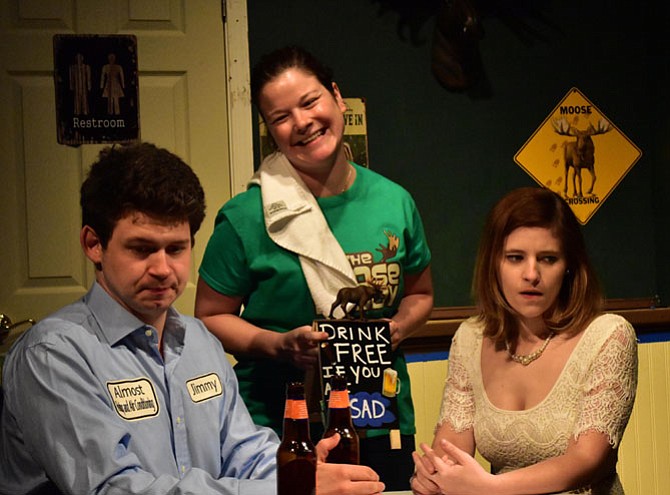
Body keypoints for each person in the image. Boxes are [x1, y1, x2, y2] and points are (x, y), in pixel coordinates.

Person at [0, 142, 385, 495]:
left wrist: (298, 471)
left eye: (176, 249)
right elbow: (113, 488)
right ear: (94, 244)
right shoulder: (53, 354)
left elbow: (244, 450)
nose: (163, 269)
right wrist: (286, 490)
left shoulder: (199, 340)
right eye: (142, 249)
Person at [195, 45, 434, 491]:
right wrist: (279, 345)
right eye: (281, 116)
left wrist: (396, 329)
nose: (302, 122)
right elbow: (209, 318)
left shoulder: (395, 202)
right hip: (280, 424)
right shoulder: (247, 216)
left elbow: (421, 295)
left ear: (337, 97)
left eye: (310, 102)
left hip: (378, 414)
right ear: (270, 131)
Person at [411, 187, 638, 495]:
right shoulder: (470, 338)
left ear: (568, 266)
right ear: (494, 263)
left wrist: (488, 487)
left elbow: (587, 459)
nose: (532, 274)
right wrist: (434, 475)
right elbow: (451, 449)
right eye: (515, 258)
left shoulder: (609, 335)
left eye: (548, 258)